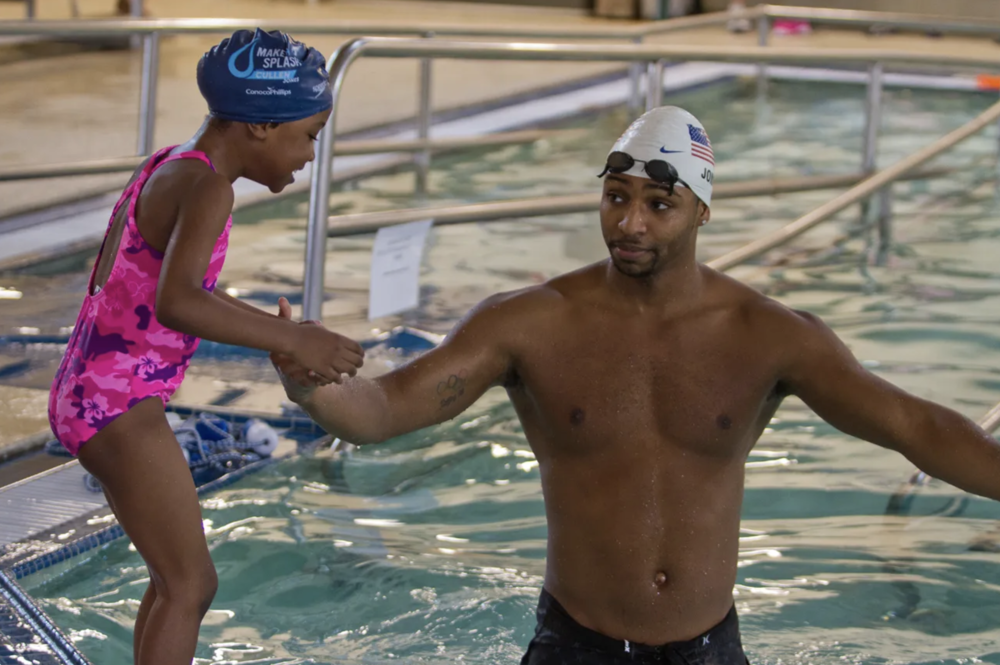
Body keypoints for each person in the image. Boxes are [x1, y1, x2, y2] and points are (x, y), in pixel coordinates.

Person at [272, 106, 1000, 665]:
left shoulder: (768, 334)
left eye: (659, 202)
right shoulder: (528, 324)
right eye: (616, 197)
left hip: (708, 645)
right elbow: (386, 408)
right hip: (574, 642)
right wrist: (309, 387)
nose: (629, 222)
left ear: (702, 210)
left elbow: (916, 428)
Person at [47, 29, 364, 665]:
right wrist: (293, 336)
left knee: (174, 581)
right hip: (118, 404)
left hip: (95, 392)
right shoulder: (209, 189)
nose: (310, 153)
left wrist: (276, 337)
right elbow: (180, 301)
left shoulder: (174, 164)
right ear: (260, 127)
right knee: (192, 584)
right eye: (307, 134)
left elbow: (160, 290)